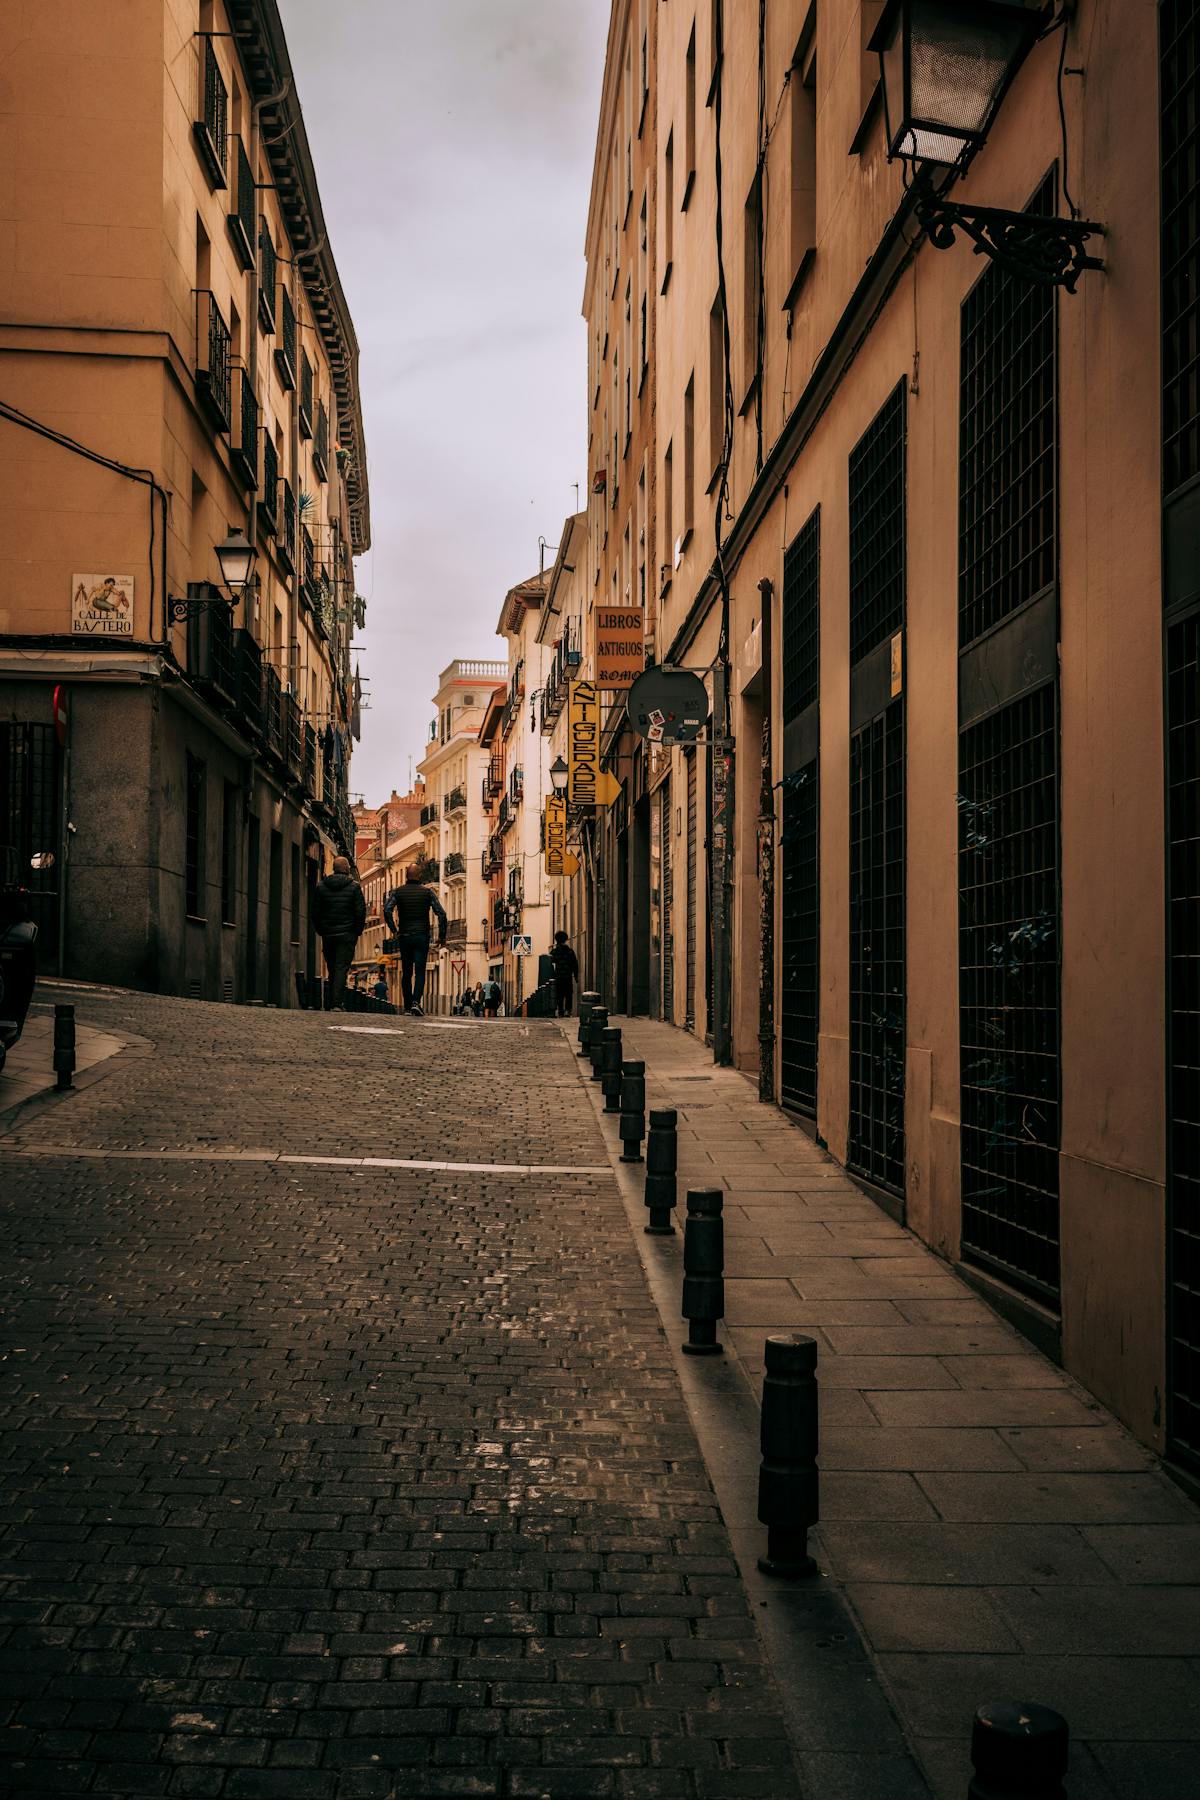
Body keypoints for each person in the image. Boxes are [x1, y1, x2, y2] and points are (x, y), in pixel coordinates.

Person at [383, 864, 448, 1016]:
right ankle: (415, 1002)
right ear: (419, 876)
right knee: (420, 971)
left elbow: (387, 910)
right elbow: (441, 913)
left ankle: (406, 1007)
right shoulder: (427, 892)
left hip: (404, 936)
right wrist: (442, 936)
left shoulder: (398, 892)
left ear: (407, 876)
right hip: (421, 936)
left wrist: (394, 929)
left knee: (406, 972)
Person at [311, 855, 366, 1010]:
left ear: (334, 869)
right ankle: (336, 1003)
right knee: (341, 967)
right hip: (347, 934)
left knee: (332, 967)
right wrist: (357, 931)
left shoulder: (321, 886)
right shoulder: (354, 887)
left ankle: (331, 1001)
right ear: (347, 869)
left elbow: (315, 911)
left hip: (328, 933)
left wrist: (321, 930)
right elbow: (360, 911)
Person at [550, 929, 580, 1018]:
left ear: (556, 940)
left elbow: (550, 965)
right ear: (565, 939)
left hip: (558, 977)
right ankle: (568, 1010)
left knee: (559, 994)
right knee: (568, 994)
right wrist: (576, 976)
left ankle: (560, 1011)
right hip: (567, 976)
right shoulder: (570, 951)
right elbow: (575, 964)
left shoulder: (554, 952)